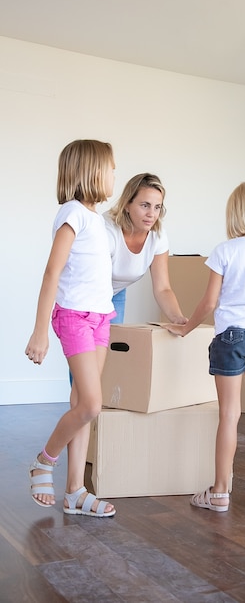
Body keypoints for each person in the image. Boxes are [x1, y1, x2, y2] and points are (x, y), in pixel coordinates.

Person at [163, 181, 245, 511]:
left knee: (230, 415)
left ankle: (219, 492)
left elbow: (209, 302)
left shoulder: (225, 250)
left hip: (230, 335)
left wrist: (186, 328)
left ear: (236, 212)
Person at [26, 139, 117, 517]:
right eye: (111, 167)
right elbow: (53, 271)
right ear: (92, 171)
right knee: (91, 405)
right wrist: (39, 330)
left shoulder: (97, 219)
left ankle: (75, 491)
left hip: (100, 317)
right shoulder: (72, 213)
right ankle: (43, 462)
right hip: (74, 317)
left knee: (82, 403)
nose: (114, 174)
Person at [103, 173, 187, 325]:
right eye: (145, 205)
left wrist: (177, 318)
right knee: (91, 347)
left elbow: (163, 288)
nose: (151, 214)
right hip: (88, 293)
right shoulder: (107, 230)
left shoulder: (158, 236)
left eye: (157, 207)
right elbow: (91, 279)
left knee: (112, 346)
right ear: (127, 204)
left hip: (116, 292)